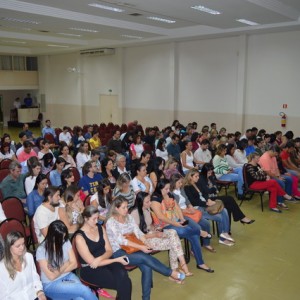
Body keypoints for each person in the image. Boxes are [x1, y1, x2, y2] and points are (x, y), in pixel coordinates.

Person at [106, 196, 185, 300]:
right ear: (116, 208)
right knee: (144, 259)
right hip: (119, 252)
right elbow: (121, 241)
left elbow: (138, 232)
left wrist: (144, 242)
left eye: (127, 207)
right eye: (124, 208)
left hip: (132, 249)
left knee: (147, 267)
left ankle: (146, 298)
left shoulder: (128, 217)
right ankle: (171, 273)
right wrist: (141, 247)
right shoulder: (111, 222)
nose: (126, 210)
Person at [150, 179, 214, 270]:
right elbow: (160, 217)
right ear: (160, 188)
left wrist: (182, 219)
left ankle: (200, 263)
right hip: (164, 226)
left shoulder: (169, 194)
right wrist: (175, 223)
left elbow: (177, 208)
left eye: (169, 189)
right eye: (166, 189)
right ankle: (199, 232)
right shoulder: (155, 199)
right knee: (184, 230)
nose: (168, 191)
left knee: (194, 235)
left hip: (175, 220)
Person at [75, 206, 132, 300]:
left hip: (105, 260)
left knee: (123, 278)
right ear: (85, 219)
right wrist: (117, 259)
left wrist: (99, 258)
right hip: (91, 269)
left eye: (97, 218)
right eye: (94, 219)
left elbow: (109, 250)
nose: (96, 221)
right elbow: (93, 263)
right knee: (125, 283)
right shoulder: (79, 237)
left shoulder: (100, 228)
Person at [131, 191, 192, 276]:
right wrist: (155, 234)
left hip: (152, 233)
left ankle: (178, 267)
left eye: (150, 200)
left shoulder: (146, 209)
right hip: (144, 240)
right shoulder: (134, 214)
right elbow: (138, 235)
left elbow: (150, 226)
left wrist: (156, 229)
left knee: (173, 232)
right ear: (141, 202)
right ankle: (179, 267)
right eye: (147, 202)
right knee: (174, 243)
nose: (150, 203)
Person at [36, 220, 98, 300]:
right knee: (84, 290)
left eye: (64, 237)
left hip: (68, 276)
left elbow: (74, 264)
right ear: (52, 236)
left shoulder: (65, 241)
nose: (63, 241)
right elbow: (51, 277)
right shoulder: (42, 250)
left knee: (80, 298)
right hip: (51, 285)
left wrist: (57, 271)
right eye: (60, 238)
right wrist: (66, 264)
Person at [183, 169, 235, 246]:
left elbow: (204, 193)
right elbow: (193, 202)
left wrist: (208, 199)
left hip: (206, 205)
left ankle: (224, 234)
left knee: (224, 210)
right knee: (220, 217)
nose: (198, 178)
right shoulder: (187, 187)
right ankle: (223, 237)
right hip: (199, 208)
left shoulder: (197, 183)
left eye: (198, 176)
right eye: (196, 176)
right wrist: (207, 203)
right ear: (190, 177)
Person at [169, 173, 215, 253]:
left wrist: (190, 207)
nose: (181, 184)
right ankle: (193, 250)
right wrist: (186, 211)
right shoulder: (170, 193)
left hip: (188, 210)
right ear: (173, 183)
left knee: (206, 223)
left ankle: (206, 243)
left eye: (181, 182)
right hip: (180, 214)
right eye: (179, 183)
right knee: (197, 227)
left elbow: (187, 200)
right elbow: (174, 208)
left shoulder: (181, 189)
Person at [198, 163, 254, 228]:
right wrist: (213, 189)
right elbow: (206, 191)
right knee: (229, 199)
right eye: (209, 171)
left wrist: (213, 189)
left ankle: (228, 229)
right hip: (208, 199)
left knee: (228, 206)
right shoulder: (201, 179)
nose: (210, 172)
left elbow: (215, 187)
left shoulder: (210, 177)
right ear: (204, 171)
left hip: (213, 196)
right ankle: (241, 218)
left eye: (211, 171)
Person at [0, 231, 46, 300]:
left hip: (33, 296)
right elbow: (3, 296)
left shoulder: (28, 257)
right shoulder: (2, 268)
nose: (22, 248)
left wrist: (40, 292)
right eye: (18, 246)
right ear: (9, 247)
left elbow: (35, 278)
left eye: (23, 244)